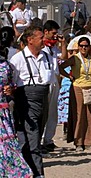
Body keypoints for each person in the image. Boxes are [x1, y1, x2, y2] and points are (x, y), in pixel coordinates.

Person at [10, 25, 57, 178]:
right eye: (40, 38)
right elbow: (11, 82)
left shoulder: (47, 56)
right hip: (26, 99)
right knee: (32, 135)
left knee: (36, 134)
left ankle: (26, 170)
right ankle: (37, 172)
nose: (44, 40)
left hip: (43, 97)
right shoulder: (18, 59)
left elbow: (52, 76)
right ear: (30, 40)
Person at [0, 26, 33, 177]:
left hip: (3, 109)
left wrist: (10, 90)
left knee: (6, 143)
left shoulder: (7, 61)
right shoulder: (9, 61)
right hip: (4, 109)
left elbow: (11, 83)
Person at [59, 35, 91, 152]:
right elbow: (61, 67)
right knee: (79, 114)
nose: (83, 48)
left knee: (90, 115)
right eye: (81, 46)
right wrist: (69, 76)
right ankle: (78, 142)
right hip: (78, 87)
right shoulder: (75, 58)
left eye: (86, 46)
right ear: (78, 47)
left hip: (90, 88)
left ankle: (89, 141)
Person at [41, 20, 67, 152]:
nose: (55, 35)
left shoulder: (53, 47)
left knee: (52, 112)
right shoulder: (40, 46)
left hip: (54, 81)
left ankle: (48, 139)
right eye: (53, 33)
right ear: (46, 32)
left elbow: (63, 56)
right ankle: (39, 140)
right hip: (44, 82)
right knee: (42, 112)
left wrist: (63, 44)